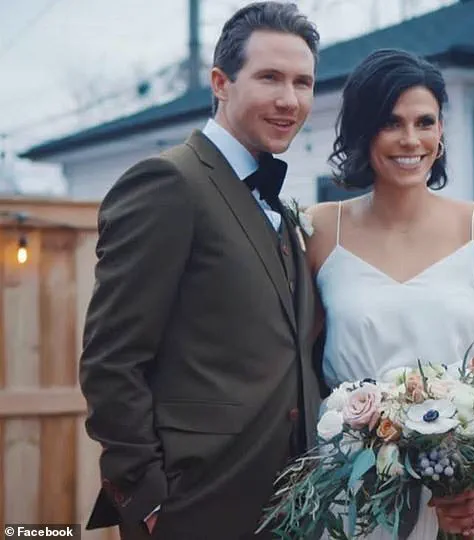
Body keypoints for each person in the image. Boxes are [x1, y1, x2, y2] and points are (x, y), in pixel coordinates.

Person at [78, 3, 323, 539]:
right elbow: (112, 359)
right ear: (220, 83)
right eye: (270, 77)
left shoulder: (282, 211)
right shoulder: (168, 183)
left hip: (290, 507)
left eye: (303, 82)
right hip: (193, 506)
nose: (290, 99)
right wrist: (144, 496)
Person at [306, 49, 474, 539]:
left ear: (441, 131)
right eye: (391, 122)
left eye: (425, 122)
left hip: (464, 491)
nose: (411, 139)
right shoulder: (321, 231)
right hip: (357, 491)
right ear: (363, 130)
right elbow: (290, 358)